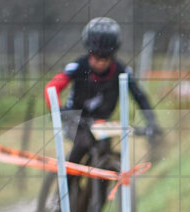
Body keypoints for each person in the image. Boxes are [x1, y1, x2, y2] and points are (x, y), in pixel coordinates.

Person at [44, 17, 161, 168]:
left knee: (106, 152)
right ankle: (65, 186)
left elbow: (140, 96)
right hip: (76, 120)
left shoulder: (122, 71)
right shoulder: (78, 66)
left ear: (113, 55)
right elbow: (51, 88)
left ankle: (101, 188)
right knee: (83, 143)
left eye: (105, 57)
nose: (100, 62)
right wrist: (60, 111)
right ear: (88, 52)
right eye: (96, 56)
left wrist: (151, 121)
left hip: (102, 123)